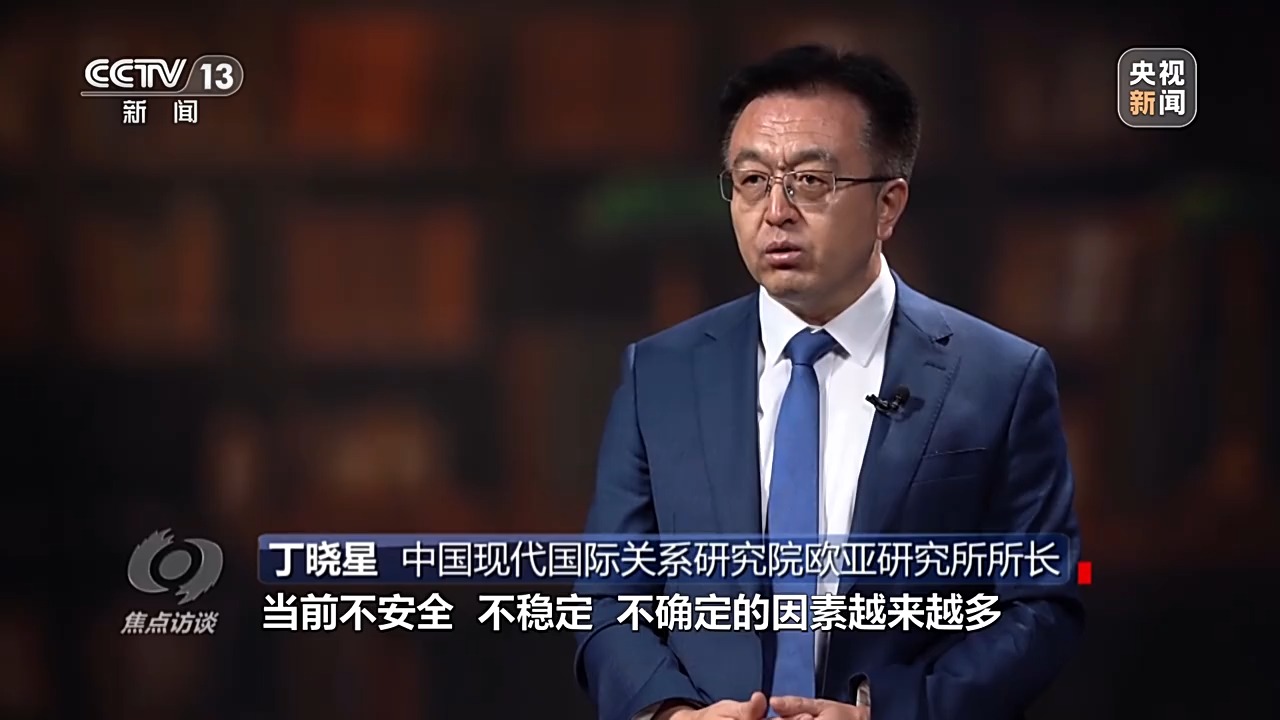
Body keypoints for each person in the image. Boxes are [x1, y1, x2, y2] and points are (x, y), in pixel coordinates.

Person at [573, 44, 1083, 720]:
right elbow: (609, 598)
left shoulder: (1000, 377)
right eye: (752, 180)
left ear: (887, 205)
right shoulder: (659, 375)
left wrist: (888, 713)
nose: (775, 211)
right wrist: (669, 713)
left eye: (811, 181)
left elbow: (1040, 604)